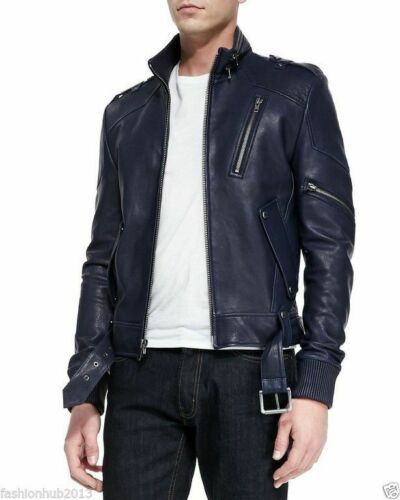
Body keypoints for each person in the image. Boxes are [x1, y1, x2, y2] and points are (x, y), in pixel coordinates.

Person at [63, 1, 356, 498]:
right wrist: (85, 392)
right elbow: (101, 261)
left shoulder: (293, 92)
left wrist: (315, 385)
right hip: (138, 376)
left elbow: (329, 245)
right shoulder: (125, 113)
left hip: (252, 375)